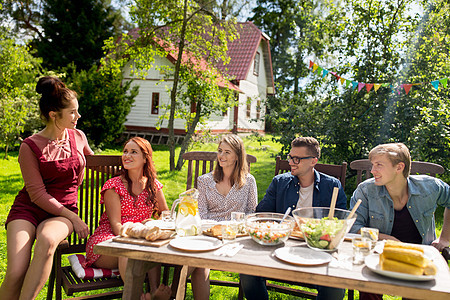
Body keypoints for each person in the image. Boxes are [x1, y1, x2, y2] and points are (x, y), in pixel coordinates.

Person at [0, 76, 94, 300]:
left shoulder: (78, 137)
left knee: (48, 240)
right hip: (29, 209)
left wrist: (134, 163)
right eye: (72, 112)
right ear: (54, 115)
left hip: (62, 211)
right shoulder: (30, 146)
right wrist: (74, 218)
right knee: (15, 271)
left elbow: (96, 163)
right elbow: (37, 194)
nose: (78, 117)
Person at [240, 136, 347, 300]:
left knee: (335, 285)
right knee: (247, 272)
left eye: (297, 158)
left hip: (318, 248)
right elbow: (261, 215)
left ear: (313, 161)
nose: (291, 162)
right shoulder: (280, 182)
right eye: (290, 157)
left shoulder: (332, 186)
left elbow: (341, 226)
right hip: (280, 245)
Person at [350, 143, 450, 300]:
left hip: (420, 258)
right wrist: (389, 240)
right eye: (372, 165)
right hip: (378, 257)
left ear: (399, 167)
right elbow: (353, 226)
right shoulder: (366, 190)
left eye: (379, 165)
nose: (372, 170)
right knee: (368, 288)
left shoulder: (430, 187)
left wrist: (445, 238)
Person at [83, 137, 171, 300]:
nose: (127, 155)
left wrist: (153, 225)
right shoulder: (113, 186)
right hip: (108, 241)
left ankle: (154, 292)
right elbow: (117, 226)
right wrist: (142, 232)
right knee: (127, 250)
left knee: (153, 243)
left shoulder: (153, 186)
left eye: (133, 152)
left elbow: (166, 217)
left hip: (140, 239)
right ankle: (136, 296)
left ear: (145, 159)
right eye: (125, 151)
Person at [190, 134, 258, 300]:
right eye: (220, 151)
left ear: (237, 156)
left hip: (237, 237)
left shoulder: (249, 181)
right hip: (209, 234)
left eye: (227, 152)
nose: (221, 156)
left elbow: (251, 213)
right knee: (198, 264)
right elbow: (201, 214)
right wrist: (213, 232)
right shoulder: (205, 181)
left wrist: (237, 230)